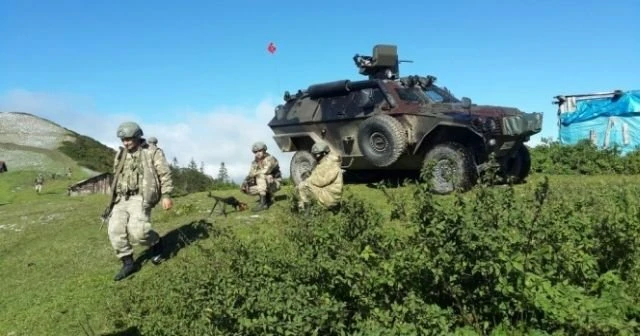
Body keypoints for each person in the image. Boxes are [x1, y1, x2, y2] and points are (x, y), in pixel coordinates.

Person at [107, 121, 174, 281]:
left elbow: (164, 173)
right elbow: (117, 174)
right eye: (123, 140)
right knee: (115, 230)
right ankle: (128, 263)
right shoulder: (121, 154)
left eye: (129, 139)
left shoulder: (152, 152)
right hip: (121, 198)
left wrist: (166, 195)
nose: (126, 142)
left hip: (140, 197)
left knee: (139, 231)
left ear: (137, 136)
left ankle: (156, 243)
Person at [295, 140, 343, 211]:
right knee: (302, 186)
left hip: (329, 197)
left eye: (317, 154)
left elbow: (321, 181)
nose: (315, 156)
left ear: (324, 153)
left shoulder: (330, 164)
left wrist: (308, 180)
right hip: (331, 195)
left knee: (302, 186)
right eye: (314, 154)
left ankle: (306, 213)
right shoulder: (326, 163)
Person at [241, 141, 281, 211]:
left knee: (261, 176)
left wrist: (254, 174)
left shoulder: (270, 158)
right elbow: (250, 174)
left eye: (260, 151)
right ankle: (267, 197)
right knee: (245, 186)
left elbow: (266, 171)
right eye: (256, 152)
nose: (258, 153)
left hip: (274, 183)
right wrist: (245, 181)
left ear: (264, 150)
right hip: (264, 184)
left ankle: (263, 204)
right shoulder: (254, 162)